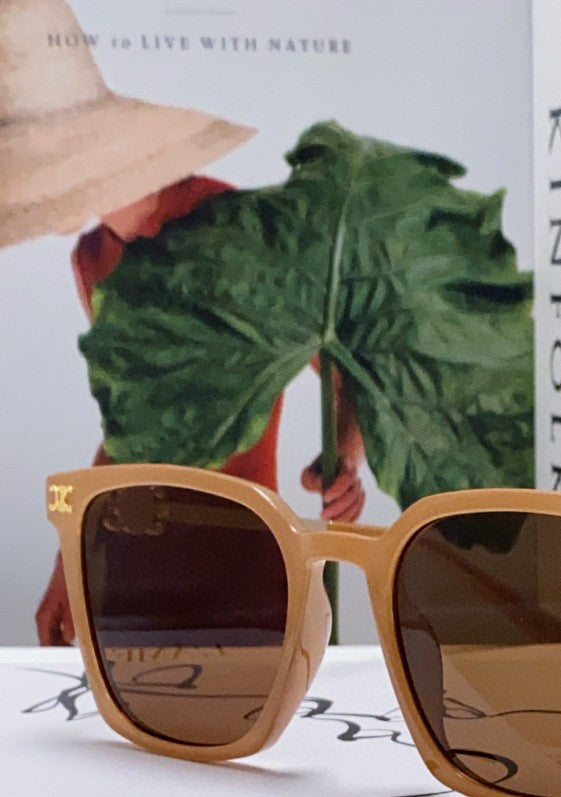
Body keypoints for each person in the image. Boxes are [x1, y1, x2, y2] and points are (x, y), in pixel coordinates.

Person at [3, 0, 364, 644]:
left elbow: (349, 368)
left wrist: (344, 459)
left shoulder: (235, 230)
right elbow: (132, 429)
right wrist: (74, 560)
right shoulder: (92, 259)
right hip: (138, 568)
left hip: (247, 556)